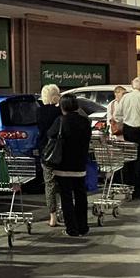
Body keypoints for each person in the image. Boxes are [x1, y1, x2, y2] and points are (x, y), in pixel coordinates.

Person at [44, 94, 93, 236]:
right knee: (80, 195)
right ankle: (83, 226)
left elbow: (50, 134)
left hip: (63, 165)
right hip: (80, 165)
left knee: (66, 197)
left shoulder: (60, 121)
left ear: (62, 107)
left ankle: (71, 228)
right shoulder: (85, 122)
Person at [114, 77, 140, 200]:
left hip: (128, 130)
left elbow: (116, 115)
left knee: (129, 159)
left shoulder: (125, 97)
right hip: (139, 131)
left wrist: (122, 121)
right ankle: (138, 190)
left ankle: (128, 187)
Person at [36, 84, 63, 228]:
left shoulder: (39, 112)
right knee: (63, 183)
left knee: (49, 184)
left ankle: (52, 216)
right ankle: (63, 212)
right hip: (60, 151)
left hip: (45, 151)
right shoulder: (59, 112)